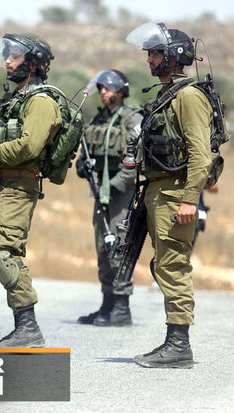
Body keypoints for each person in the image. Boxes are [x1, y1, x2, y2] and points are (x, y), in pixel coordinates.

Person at [0, 33, 62, 348]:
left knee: (6, 253)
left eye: (15, 56)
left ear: (32, 63)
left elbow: (30, 146)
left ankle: (28, 327)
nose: (8, 61)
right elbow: (0, 140)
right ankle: (22, 327)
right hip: (0, 182)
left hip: (18, 185)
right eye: (8, 55)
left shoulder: (41, 101)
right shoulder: (16, 99)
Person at [126, 22, 213, 368]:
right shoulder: (168, 95)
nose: (149, 59)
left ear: (173, 57)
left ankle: (179, 346)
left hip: (176, 193)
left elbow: (201, 155)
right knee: (164, 264)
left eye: (155, 53)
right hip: (158, 190)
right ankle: (173, 342)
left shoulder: (189, 96)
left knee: (173, 265)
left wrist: (191, 198)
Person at [75, 70, 143, 326]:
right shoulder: (99, 119)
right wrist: (82, 166)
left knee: (119, 246)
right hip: (101, 191)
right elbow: (87, 153)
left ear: (121, 91)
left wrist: (115, 185)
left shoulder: (131, 118)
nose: (104, 92)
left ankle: (122, 306)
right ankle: (107, 303)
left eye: (109, 88)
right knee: (103, 247)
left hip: (121, 192)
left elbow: (135, 159)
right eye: (101, 88)